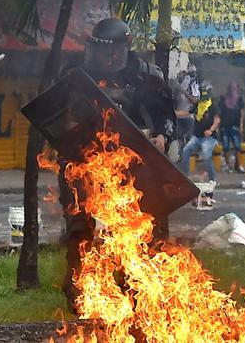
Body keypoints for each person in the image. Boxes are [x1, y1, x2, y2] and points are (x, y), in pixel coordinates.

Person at [58, 18, 176, 311]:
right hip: (84, 165)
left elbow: (167, 117)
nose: (104, 58)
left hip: (131, 168)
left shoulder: (147, 76)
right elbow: (56, 114)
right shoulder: (75, 75)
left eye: (110, 51)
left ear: (125, 48)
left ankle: (135, 291)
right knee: (79, 229)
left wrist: (161, 136)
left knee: (138, 228)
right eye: (98, 50)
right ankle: (80, 292)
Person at [180, 81, 220, 182]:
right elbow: (187, 112)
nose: (203, 93)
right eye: (202, 91)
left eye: (205, 91)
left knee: (206, 153)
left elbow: (217, 119)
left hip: (209, 138)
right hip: (197, 137)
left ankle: (212, 178)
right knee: (186, 150)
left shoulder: (213, 106)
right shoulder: (198, 104)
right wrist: (173, 113)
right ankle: (186, 176)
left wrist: (211, 130)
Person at [218, 82, 245, 173]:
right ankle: (228, 165)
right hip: (224, 126)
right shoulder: (223, 99)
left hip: (235, 126)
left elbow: (242, 113)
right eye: (230, 88)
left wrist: (241, 125)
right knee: (226, 146)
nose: (232, 90)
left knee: (237, 146)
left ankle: (238, 165)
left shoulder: (239, 99)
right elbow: (219, 112)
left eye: (233, 88)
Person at [170, 70, 198, 154]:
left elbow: (194, 100)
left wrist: (184, 92)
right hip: (177, 116)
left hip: (188, 117)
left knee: (189, 138)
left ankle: (189, 156)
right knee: (178, 136)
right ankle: (180, 155)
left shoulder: (191, 86)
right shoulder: (176, 87)